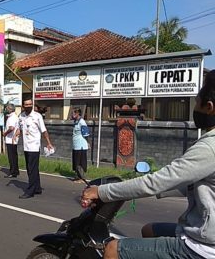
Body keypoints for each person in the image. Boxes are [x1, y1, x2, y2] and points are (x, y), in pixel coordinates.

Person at [81, 70, 215, 259]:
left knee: (112, 250)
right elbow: (190, 183)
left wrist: (101, 192)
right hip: (206, 233)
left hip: (202, 245)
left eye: (197, 100)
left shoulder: (209, 147)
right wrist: (155, 189)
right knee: (149, 230)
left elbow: (158, 181)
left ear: (209, 107)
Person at [16, 99, 54, 199]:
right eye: (26, 104)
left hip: (34, 147)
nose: (28, 106)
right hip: (26, 146)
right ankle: (37, 188)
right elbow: (20, 127)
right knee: (30, 169)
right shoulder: (21, 116)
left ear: (32, 105)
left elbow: (44, 131)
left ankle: (30, 191)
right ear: (23, 106)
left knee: (32, 169)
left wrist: (49, 143)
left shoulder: (37, 116)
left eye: (30, 104)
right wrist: (17, 133)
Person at [71, 107, 89, 182]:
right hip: (76, 145)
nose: (72, 114)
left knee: (80, 161)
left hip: (81, 145)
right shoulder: (76, 122)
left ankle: (81, 177)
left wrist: (87, 142)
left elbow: (86, 133)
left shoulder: (82, 122)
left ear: (78, 113)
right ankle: (77, 176)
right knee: (76, 161)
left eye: (74, 113)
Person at [3, 103, 19, 178]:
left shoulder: (12, 117)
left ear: (10, 109)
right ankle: (16, 170)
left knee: (11, 156)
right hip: (13, 139)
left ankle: (13, 172)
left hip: (10, 139)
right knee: (14, 156)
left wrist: (5, 133)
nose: (6, 109)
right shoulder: (14, 116)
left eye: (7, 108)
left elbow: (11, 128)